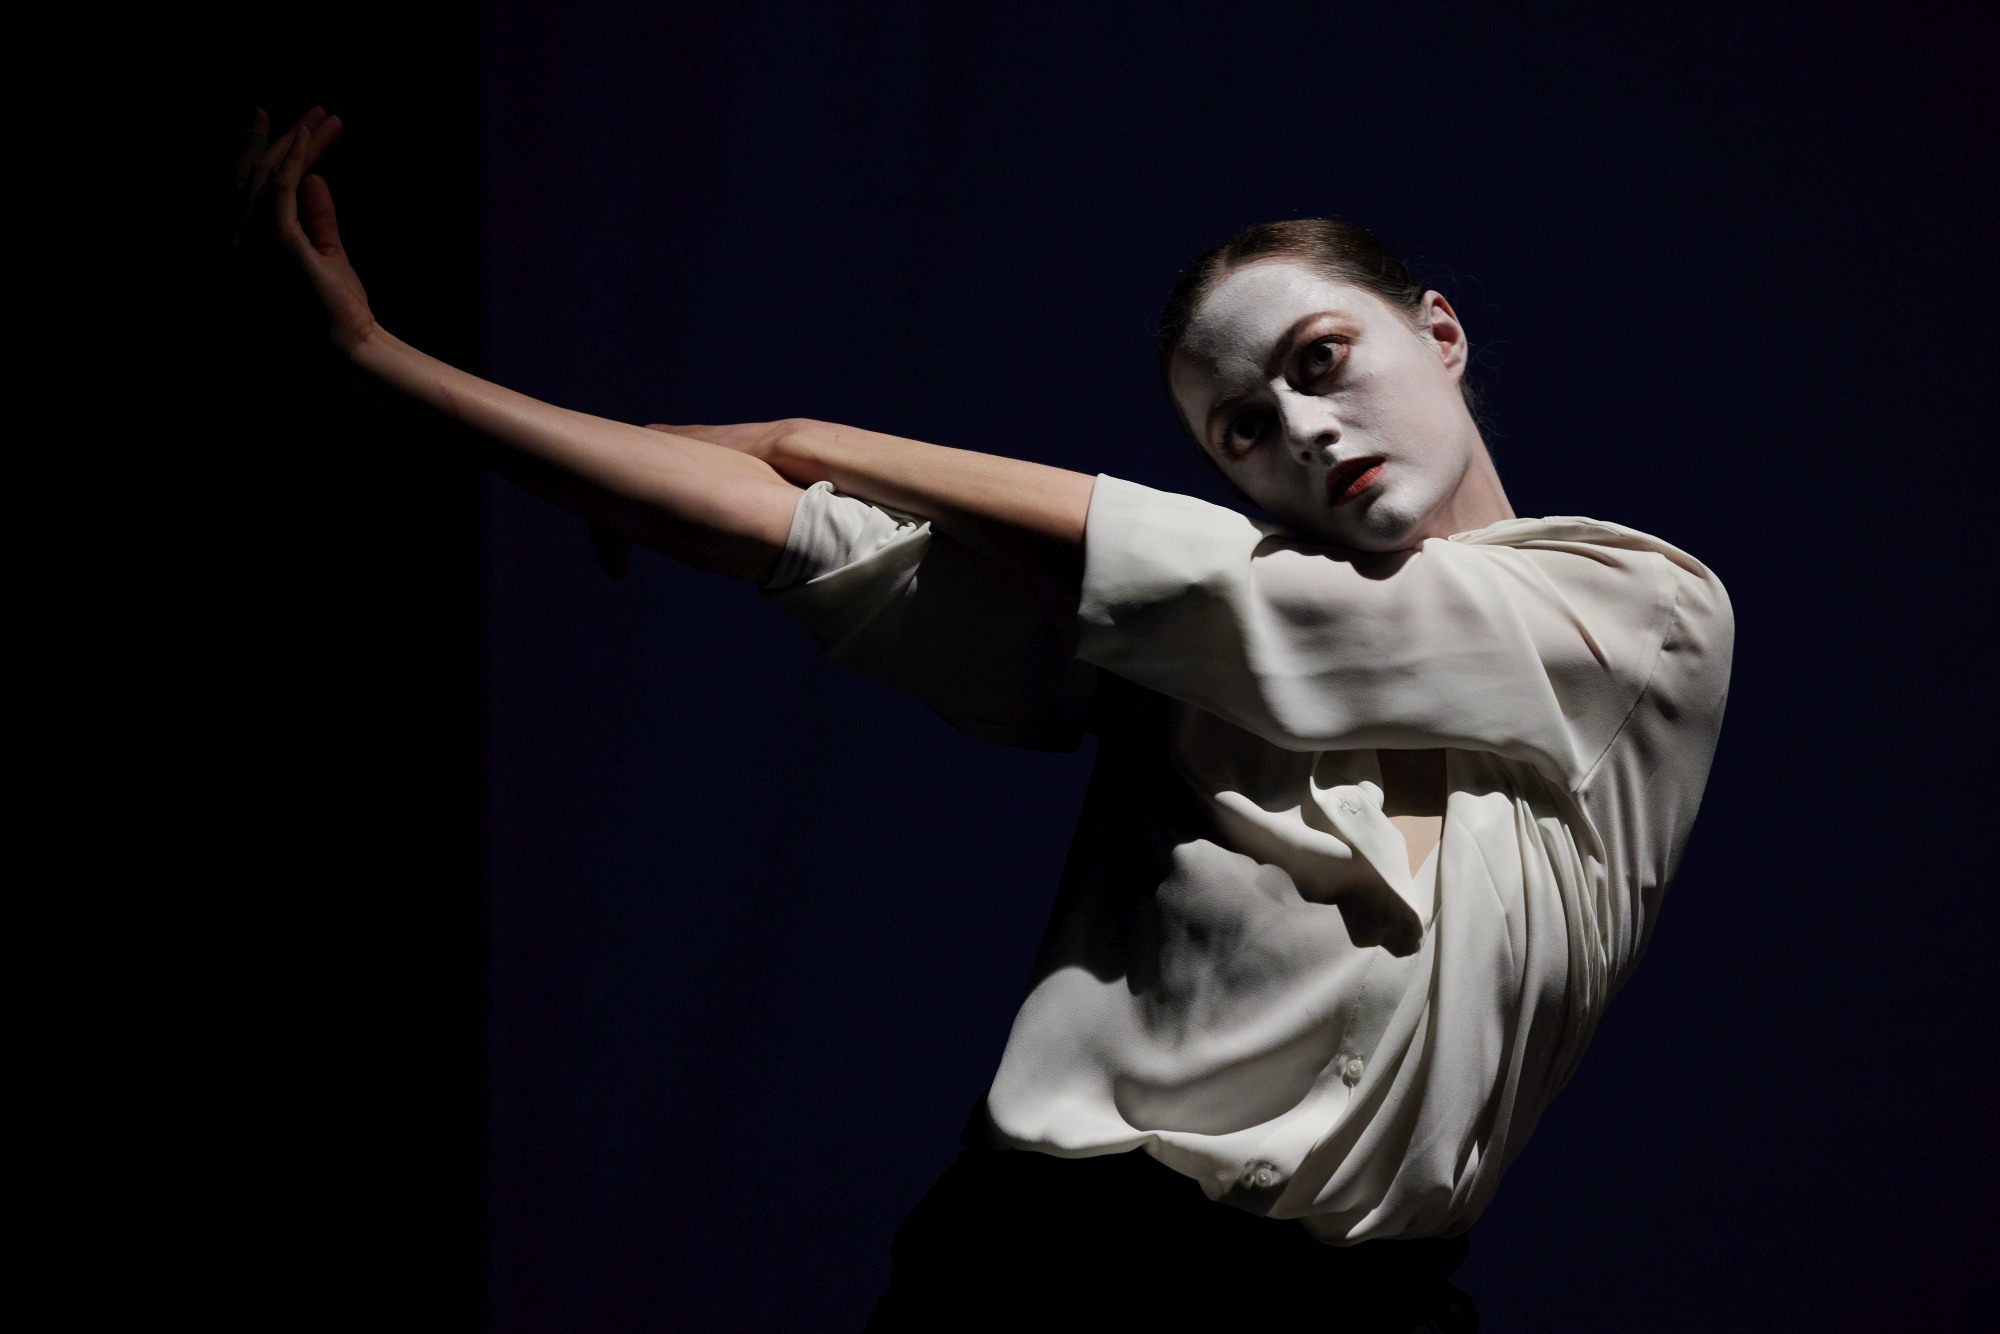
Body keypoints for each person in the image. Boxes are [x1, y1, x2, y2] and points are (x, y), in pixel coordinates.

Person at [236, 108, 1732, 1332]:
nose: (1303, 427)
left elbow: (1263, 599)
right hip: (1044, 1271)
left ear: (1441, 332)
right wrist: (379, 364)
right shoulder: (1169, 650)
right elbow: (800, 538)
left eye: (1320, 359)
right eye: (1243, 430)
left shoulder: (1643, 611)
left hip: (1368, 1302)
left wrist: (805, 431)